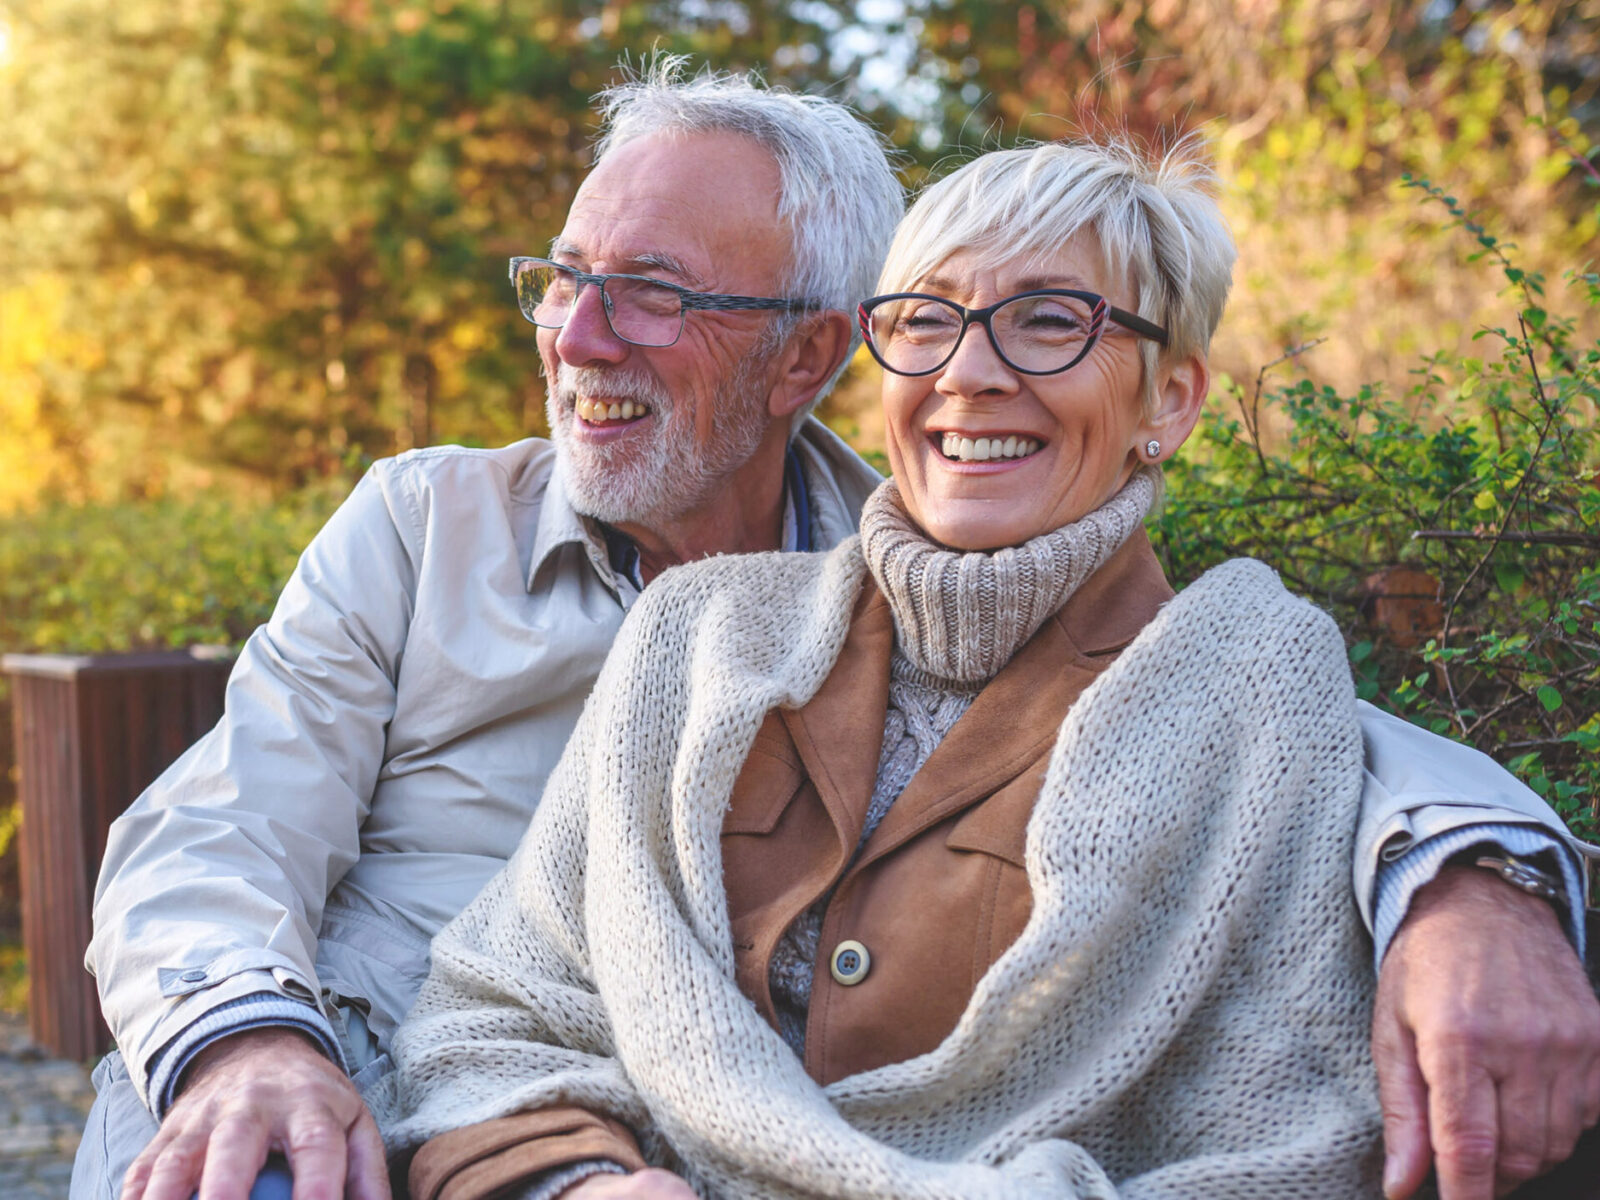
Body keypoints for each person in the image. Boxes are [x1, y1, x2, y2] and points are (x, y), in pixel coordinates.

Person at [77, 63, 1597, 1200]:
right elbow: (217, 835)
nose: (577, 336)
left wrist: (1479, 880)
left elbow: (1245, 711)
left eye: (652, 292)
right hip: (337, 1062)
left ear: (811, 350)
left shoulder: (945, 544)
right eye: (567, 282)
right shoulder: (427, 528)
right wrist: (248, 1044)